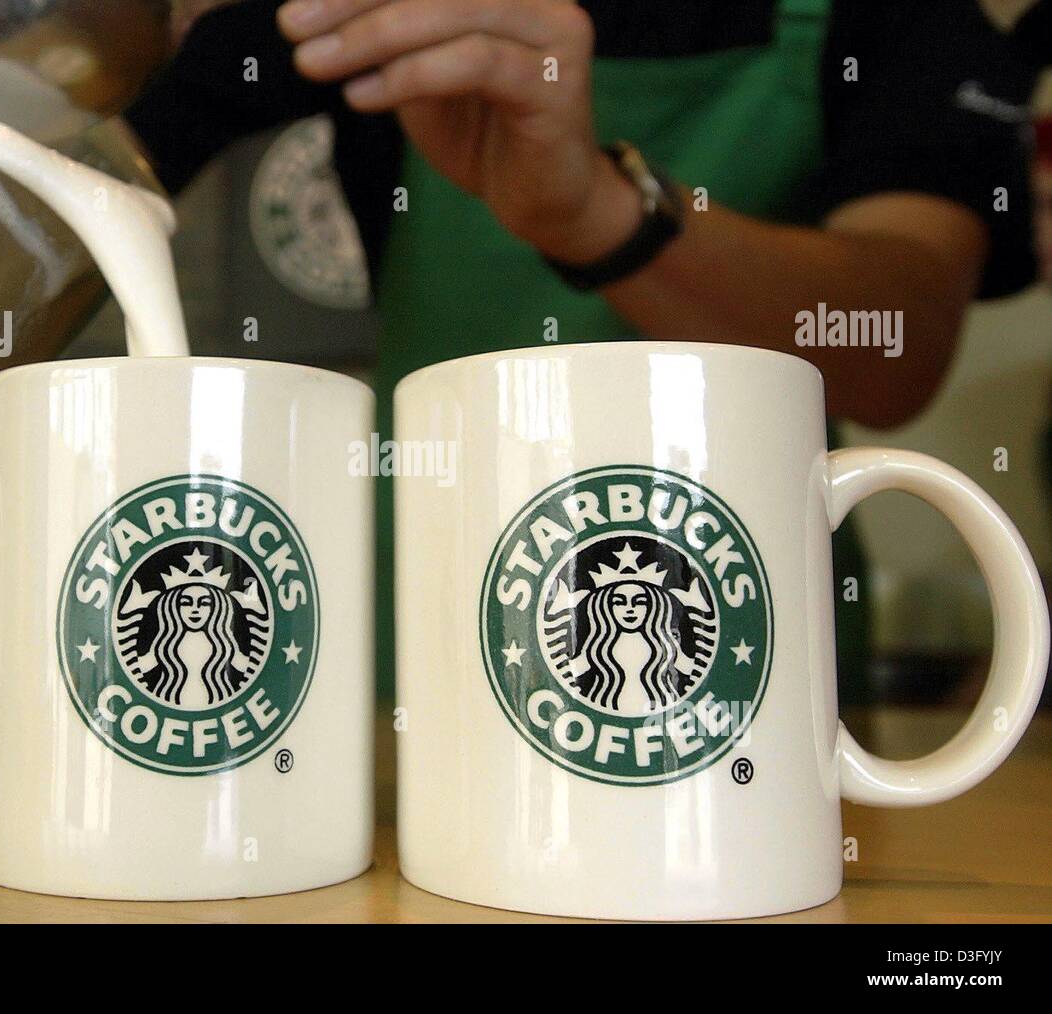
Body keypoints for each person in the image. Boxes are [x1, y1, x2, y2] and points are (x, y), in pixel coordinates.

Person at [128, 0, 1040, 701]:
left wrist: (594, 212)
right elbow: (83, 190)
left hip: (744, 656)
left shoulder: (895, 21)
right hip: (419, 646)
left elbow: (897, 345)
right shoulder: (370, 17)